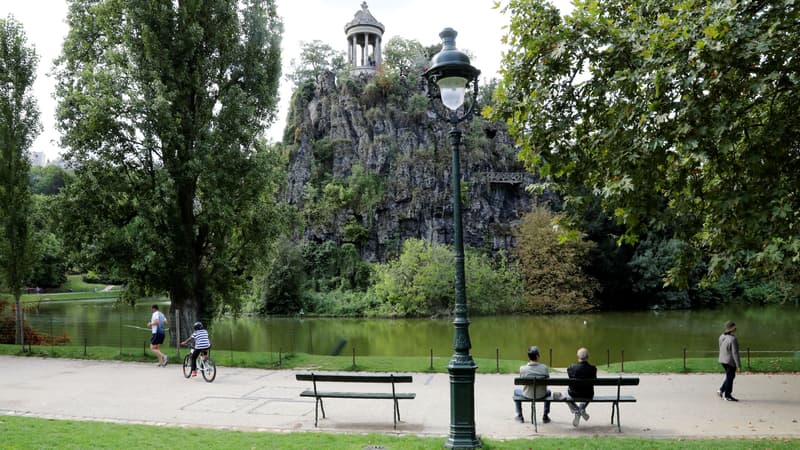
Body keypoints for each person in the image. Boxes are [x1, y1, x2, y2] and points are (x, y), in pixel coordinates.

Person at [513, 345, 558, 424]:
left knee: (516, 392)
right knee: (549, 392)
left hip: (527, 395)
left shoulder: (523, 369)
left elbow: (523, 382)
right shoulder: (544, 368)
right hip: (541, 394)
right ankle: (545, 416)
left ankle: (520, 416)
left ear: (529, 357)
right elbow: (547, 379)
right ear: (537, 356)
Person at [566, 347, 597, 427]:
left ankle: (577, 411)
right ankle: (581, 409)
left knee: (565, 394)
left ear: (578, 356)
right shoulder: (593, 369)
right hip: (588, 394)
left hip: (574, 394)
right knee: (585, 392)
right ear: (588, 357)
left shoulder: (571, 368)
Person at [718, 320, 741, 401]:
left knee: (730, 376)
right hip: (729, 361)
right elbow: (735, 353)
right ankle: (727, 395)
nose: (736, 328)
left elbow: (721, 347)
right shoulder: (733, 339)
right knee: (730, 377)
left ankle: (721, 390)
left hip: (722, 360)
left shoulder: (721, 336)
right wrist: (738, 366)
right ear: (732, 329)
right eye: (735, 327)